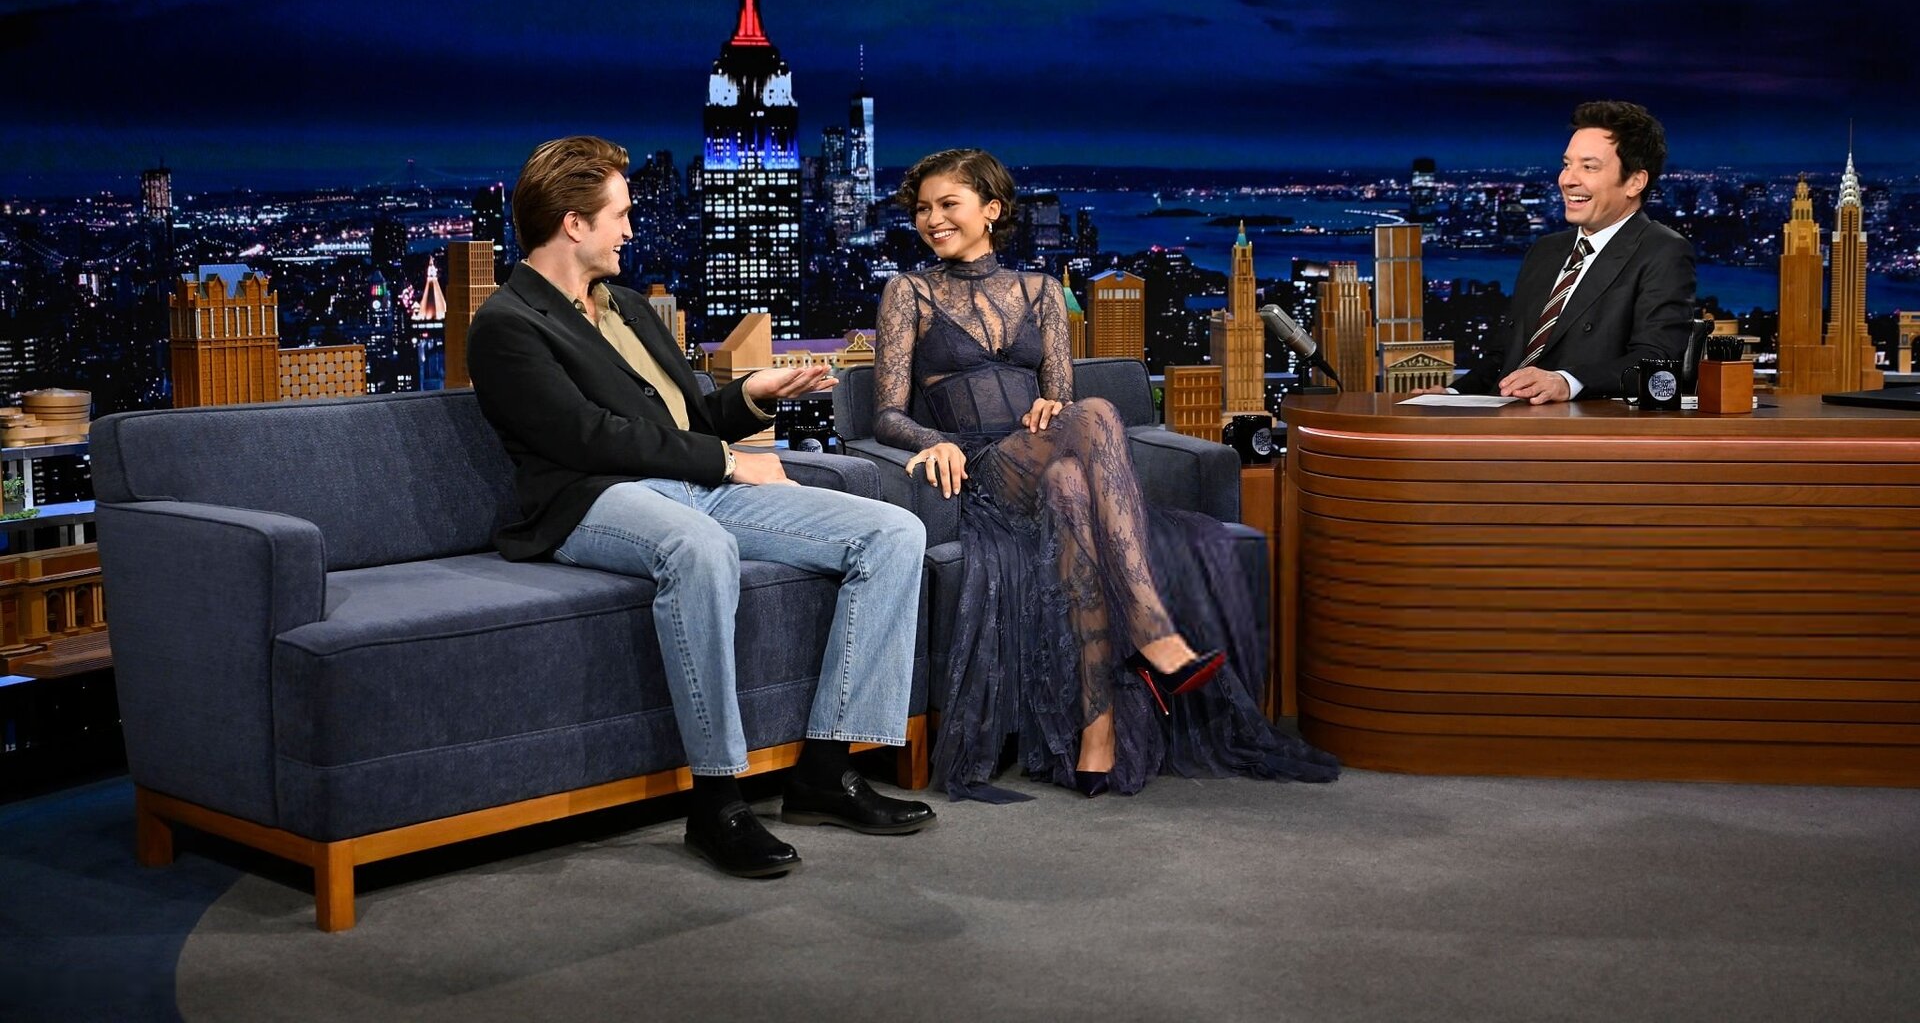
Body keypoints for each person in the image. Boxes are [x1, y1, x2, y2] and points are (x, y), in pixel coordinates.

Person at [466, 135, 934, 879]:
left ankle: (826, 768)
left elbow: (684, 419)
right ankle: (717, 801)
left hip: (689, 486)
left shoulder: (628, 307)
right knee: (700, 547)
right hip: (592, 500)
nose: (631, 229)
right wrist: (730, 463)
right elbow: (588, 440)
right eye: (620, 215)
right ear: (574, 224)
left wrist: (751, 397)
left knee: (893, 532)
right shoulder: (506, 324)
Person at [872, 147, 1340, 801]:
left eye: (948, 204)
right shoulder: (909, 292)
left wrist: (1052, 408)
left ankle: (1099, 730)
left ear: (992, 209)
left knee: (1072, 476)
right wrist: (933, 440)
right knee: (1095, 416)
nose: (932, 219)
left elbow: (1060, 396)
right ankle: (1152, 634)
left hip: (1047, 458)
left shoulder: (1042, 292)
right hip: (982, 465)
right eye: (923, 209)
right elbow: (887, 414)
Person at [1429, 100, 1697, 403]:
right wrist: (1450, 394)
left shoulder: (1663, 251)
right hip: (1505, 417)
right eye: (1567, 165)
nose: (1567, 180)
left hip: (1578, 425)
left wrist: (1567, 382)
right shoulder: (1545, 250)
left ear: (1635, 182)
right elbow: (1504, 356)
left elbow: (1656, 362)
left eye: (1589, 167)